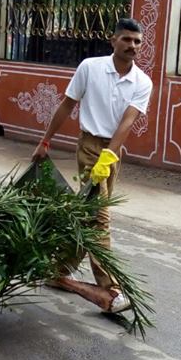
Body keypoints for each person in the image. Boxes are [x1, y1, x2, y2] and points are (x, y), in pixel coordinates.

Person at [32, 18, 153, 314]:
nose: (132, 46)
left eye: (137, 41)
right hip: (88, 144)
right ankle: (109, 287)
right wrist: (45, 141)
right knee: (99, 216)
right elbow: (67, 104)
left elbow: (128, 121)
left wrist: (109, 156)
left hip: (112, 151)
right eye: (126, 39)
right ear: (113, 40)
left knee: (87, 214)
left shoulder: (142, 82)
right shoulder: (90, 67)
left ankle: (58, 268)